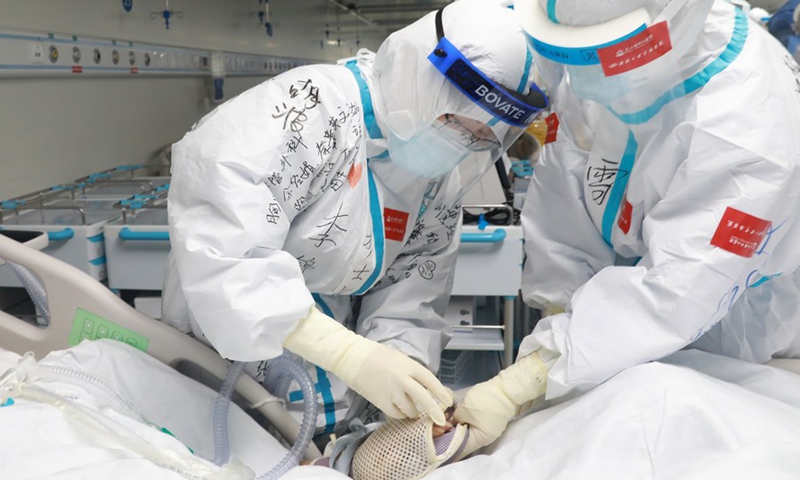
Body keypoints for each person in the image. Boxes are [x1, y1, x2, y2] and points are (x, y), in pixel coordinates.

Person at [162, 0, 548, 435]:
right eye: (458, 122)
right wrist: (345, 353)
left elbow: (412, 296)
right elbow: (224, 249)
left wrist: (403, 384)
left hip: (325, 393)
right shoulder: (310, 109)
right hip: (216, 364)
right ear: (419, 76)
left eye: (480, 137)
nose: (462, 144)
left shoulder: (437, 183)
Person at [454, 0, 800, 455]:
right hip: (602, 331)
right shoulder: (597, 69)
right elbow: (564, 187)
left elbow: (680, 288)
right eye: (570, 54)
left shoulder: (749, 116)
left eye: (603, 53)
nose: (582, 78)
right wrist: (559, 321)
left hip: (731, 330)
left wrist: (530, 377)